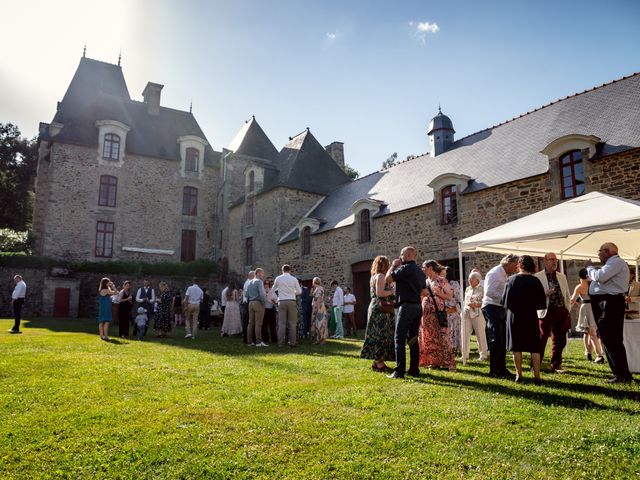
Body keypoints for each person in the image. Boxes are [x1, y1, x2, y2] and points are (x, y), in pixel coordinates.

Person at [586, 242, 633, 383]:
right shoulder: (612, 263)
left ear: (607, 251)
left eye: (599, 252)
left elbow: (600, 276)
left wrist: (589, 268)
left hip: (610, 303)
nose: (598, 254)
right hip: (606, 302)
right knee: (608, 339)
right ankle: (619, 374)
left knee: (612, 339)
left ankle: (623, 375)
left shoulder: (616, 262)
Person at [503, 255, 547, 385]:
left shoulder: (511, 280)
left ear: (520, 265)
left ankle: (519, 375)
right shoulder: (535, 281)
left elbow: (505, 302)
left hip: (515, 316)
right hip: (530, 316)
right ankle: (537, 376)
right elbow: (541, 303)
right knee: (534, 347)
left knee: (517, 347)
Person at [386, 246, 427, 379]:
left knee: (399, 338)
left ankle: (399, 371)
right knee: (413, 339)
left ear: (408, 255)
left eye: (402, 255)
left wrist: (393, 265)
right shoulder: (421, 272)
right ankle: (414, 369)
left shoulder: (405, 268)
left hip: (406, 306)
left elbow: (388, 279)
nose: (400, 258)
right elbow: (424, 292)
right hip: (417, 306)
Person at [482, 254, 519, 377]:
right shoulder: (495, 273)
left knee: (502, 339)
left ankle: (501, 369)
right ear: (508, 263)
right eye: (515, 265)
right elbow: (489, 292)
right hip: (491, 307)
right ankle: (494, 370)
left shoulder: (504, 274)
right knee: (496, 339)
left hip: (499, 307)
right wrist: (506, 299)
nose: (516, 268)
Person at [535, 252, 572, 373]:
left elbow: (566, 294)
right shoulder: (537, 277)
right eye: (551, 259)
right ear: (545, 261)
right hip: (546, 311)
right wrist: (545, 294)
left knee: (560, 339)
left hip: (561, 310)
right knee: (542, 338)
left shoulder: (562, 276)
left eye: (555, 259)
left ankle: (556, 364)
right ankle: (536, 365)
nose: (555, 261)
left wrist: (568, 309)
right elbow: (533, 296)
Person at [360, 256, 395, 372]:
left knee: (376, 333)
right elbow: (380, 293)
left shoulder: (374, 276)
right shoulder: (380, 276)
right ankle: (379, 363)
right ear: (384, 265)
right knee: (380, 334)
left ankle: (377, 362)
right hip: (380, 308)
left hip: (376, 306)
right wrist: (392, 291)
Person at [420, 260, 456, 371]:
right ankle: (433, 362)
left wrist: (438, 293)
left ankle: (446, 363)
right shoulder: (425, 281)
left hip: (438, 313)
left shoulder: (441, 280)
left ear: (430, 268)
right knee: (429, 337)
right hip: (426, 315)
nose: (422, 269)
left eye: (424, 267)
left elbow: (450, 296)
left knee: (442, 337)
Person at [570, 268, 604, 363]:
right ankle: (594, 353)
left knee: (591, 332)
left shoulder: (580, 286)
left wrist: (568, 306)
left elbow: (572, 300)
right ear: (586, 276)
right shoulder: (592, 284)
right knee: (590, 332)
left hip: (586, 308)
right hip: (591, 308)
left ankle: (595, 354)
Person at [272, 265, 302, 347]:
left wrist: (277, 296)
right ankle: (292, 343)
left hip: (281, 301)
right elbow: (299, 291)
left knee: (281, 323)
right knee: (292, 323)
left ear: (282, 270)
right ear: (290, 270)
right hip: (291, 300)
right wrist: (292, 292)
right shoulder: (294, 279)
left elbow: (272, 290)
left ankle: (280, 343)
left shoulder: (278, 278)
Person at [462, 271, 488, 362]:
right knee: (464, 334)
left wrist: (477, 304)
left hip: (478, 313)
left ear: (477, 280)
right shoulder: (468, 289)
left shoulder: (483, 289)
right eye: (469, 278)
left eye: (471, 279)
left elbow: (485, 302)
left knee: (480, 334)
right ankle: (464, 355)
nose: (469, 280)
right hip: (467, 313)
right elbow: (465, 301)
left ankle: (483, 355)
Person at [441, 266, 462, 355]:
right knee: (449, 329)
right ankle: (448, 347)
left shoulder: (454, 283)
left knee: (453, 329)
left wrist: (456, 308)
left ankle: (454, 348)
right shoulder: (441, 283)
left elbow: (458, 298)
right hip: (444, 309)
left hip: (452, 309)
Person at [246, 268, 267, 347]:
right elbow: (262, 294)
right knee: (258, 324)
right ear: (258, 273)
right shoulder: (259, 281)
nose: (263, 275)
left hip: (250, 303)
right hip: (258, 303)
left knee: (250, 323)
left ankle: (249, 341)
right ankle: (258, 342)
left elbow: (246, 294)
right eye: (262, 273)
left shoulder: (250, 282)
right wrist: (263, 302)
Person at [310, 277, 329, 345]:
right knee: (317, 323)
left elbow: (319, 299)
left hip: (319, 308)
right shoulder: (319, 288)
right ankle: (318, 339)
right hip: (320, 307)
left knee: (320, 323)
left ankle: (322, 340)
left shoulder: (318, 289)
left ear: (313, 282)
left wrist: (315, 309)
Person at [262, 279, 278, 343]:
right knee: (264, 325)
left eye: (268, 284)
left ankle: (274, 339)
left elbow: (276, 299)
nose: (266, 285)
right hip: (264, 309)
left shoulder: (272, 290)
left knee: (273, 325)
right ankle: (265, 339)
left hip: (271, 309)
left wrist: (273, 300)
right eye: (265, 284)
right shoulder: (262, 290)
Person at [241, 271, 255, 344]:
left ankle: (246, 338)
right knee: (248, 321)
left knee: (247, 321)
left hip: (246, 303)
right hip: (247, 303)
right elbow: (248, 294)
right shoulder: (249, 283)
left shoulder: (247, 282)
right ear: (251, 275)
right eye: (254, 275)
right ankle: (247, 338)